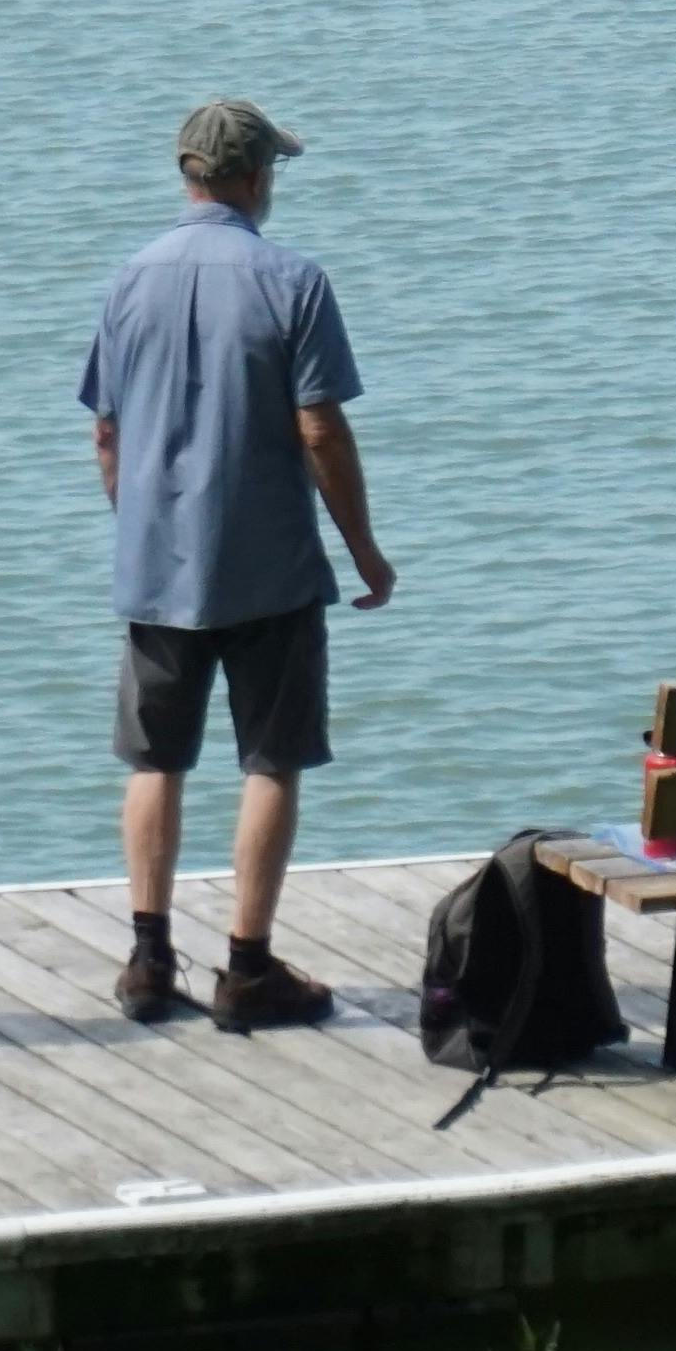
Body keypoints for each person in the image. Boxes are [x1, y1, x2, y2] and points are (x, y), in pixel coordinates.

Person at [79, 98, 396, 1032]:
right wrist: (366, 553)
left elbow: (106, 432)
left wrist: (136, 521)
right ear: (256, 177)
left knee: (155, 760)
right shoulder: (293, 281)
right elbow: (319, 427)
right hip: (271, 570)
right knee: (271, 761)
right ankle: (248, 970)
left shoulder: (130, 279)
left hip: (156, 568)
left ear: (188, 175)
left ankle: (146, 959)